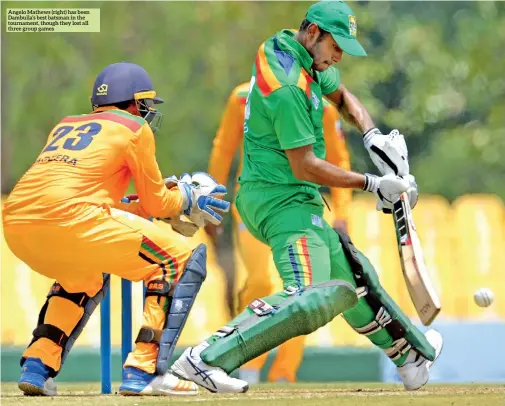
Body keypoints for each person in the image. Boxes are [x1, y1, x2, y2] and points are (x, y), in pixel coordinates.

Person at [170, 1, 443, 394]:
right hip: (279, 201)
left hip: (292, 197)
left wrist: (373, 137)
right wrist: (371, 184)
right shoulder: (287, 86)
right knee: (312, 295)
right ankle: (205, 358)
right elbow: (306, 166)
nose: (338, 57)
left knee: (351, 275)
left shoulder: (295, 52)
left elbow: (344, 97)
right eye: (336, 46)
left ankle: (409, 355)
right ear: (313, 32)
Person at [2, 62, 229, 397]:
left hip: (16, 223)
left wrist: (146, 203)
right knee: (179, 261)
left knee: (83, 277)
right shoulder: (134, 128)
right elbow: (158, 206)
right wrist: (186, 196)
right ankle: (144, 370)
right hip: (74, 221)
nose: (147, 113)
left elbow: (86, 198)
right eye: (146, 105)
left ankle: (37, 366)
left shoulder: (65, 125)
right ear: (134, 103)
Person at [205, 81, 352, 383]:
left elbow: (339, 160)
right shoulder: (243, 97)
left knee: (301, 288)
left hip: (298, 209)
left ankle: (284, 372)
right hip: (254, 206)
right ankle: (248, 361)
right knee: (259, 280)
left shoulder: (320, 106)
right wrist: (210, 201)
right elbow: (223, 149)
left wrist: (342, 212)